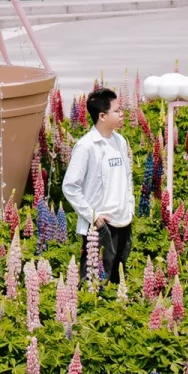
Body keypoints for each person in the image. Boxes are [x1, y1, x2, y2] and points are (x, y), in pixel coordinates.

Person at [61, 87, 134, 288]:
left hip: (123, 222)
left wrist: (130, 207)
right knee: (94, 284)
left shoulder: (120, 141)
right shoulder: (86, 146)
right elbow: (69, 186)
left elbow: (127, 178)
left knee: (117, 283)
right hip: (100, 227)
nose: (122, 114)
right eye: (117, 111)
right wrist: (94, 216)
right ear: (102, 116)